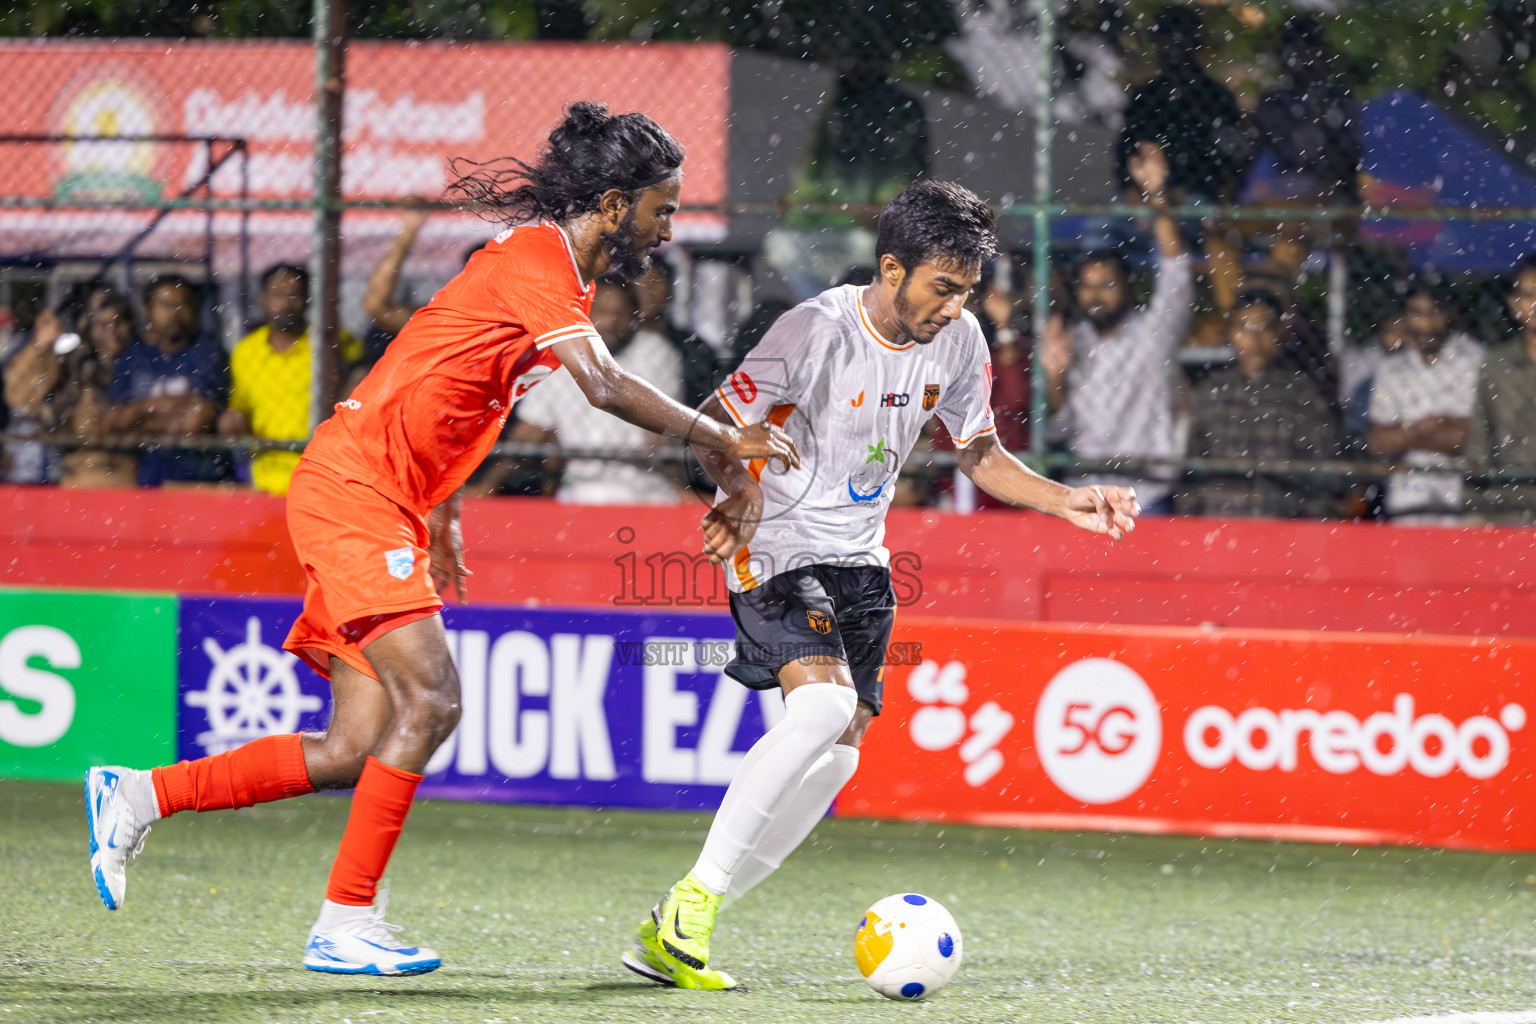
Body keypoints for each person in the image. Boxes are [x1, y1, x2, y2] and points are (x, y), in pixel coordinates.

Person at [83, 102, 797, 978]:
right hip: (357, 494)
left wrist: (443, 513)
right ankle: (344, 921)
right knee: (435, 701)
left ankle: (139, 793)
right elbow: (604, 388)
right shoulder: (541, 257)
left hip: (383, 499)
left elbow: (452, 390)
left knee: (353, 746)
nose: (669, 223)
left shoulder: (556, 275)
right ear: (614, 204)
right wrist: (726, 437)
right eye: (664, 207)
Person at [620, 180, 1138, 992]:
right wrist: (739, 492)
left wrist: (1069, 500)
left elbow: (979, 455)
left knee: (838, 757)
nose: (954, 306)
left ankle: (671, 930)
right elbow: (713, 422)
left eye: (966, 290)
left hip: (863, 560)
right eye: (942, 288)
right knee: (821, 708)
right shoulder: (814, 330)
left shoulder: (961, 339)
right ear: (891, 269)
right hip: (777, 544)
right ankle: (695, 901)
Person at [1042, 141, 1193, 513]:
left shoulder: (1154, 331)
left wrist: (1157, 196)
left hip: (1148, 497)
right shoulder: (1071, 340)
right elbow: (1059, 430)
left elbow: (1177, 274)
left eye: (1107, 284)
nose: (1095, 295)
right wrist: (1053, 376)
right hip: (1086, 494)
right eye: (1088, 286)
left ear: (1128, 289)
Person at [487, 277, 687, 504]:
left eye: (620, 314)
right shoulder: (560, 350)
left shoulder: (654, 350)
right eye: (602, 311)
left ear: (634, 317)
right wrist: (488, 487)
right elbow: (529, 433)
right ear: (585, 311)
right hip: (579, 490)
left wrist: (679, 486)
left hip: (646, 490)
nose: (611, 323)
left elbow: (658, 434)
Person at [1178, 291, 1339, 517]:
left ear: (1278, 333)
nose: (1253, 339)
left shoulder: (1301, 393)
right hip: (1219, 517)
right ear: (1231, 334)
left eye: (1263, 328)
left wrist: (1310, 527)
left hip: (1280, 519)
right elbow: (1191, 467)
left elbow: (1320, 467)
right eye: (1243, 328)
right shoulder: (1211, 392)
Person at [218, 264, 363, 496]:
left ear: (307, 299)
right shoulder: (246, 351)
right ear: (263, 299)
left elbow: (362, 380)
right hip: (266, 473)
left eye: (293, 294)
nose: (285, 303)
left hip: (324, 470)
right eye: (277, 294)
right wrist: (233, 422)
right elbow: (239, 409)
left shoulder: (332, 342)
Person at [1366, 278, 1485, 523]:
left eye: (1434, 313)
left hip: (1462, 491)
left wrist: (1406, 435)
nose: (1426, 323)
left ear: (1449, 315)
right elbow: (1377, 442)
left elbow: (1469, 438)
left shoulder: (1475, 359)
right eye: (1417, 313)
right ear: (1405, 317)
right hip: (1406, 494)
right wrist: (1438, 427)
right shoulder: (1391, 367)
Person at [105, 274, 229, 486]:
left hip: (198, 478)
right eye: (167, 305)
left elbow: (197, 420)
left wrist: (141, 414)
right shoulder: (134, 355)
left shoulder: (207, 352)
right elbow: (114, 420)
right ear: (148, 309)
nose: (175, 313)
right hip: (142, 478)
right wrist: (170, 411)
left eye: (183, 304)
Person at [1466, 255, 1536, 524]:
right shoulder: (1495, 365)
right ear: (1513, 304)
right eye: (1528, 295)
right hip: (1508, 505)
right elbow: (1479, 442)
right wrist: (1473, 511)